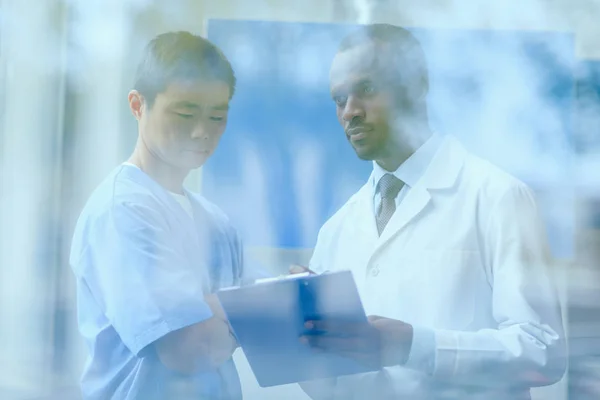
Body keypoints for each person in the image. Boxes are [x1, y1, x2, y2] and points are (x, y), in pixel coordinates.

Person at [294, 24, 567, 399]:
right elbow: (330, 387)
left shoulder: (497, 196)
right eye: (339, 99)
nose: (350, 112)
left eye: (367, 90)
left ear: (417, 85)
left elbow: (543, 352)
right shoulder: (336, 229)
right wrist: (305, 343)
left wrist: (412, 345)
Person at [69, 31, 257, 399]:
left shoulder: (214, 221)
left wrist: (228, 310)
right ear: (138, 105)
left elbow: (271, 307)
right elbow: (190, 349)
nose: (202, 131)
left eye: (217, 116)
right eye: (185, 113)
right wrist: (244, 313)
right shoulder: (121, 211)